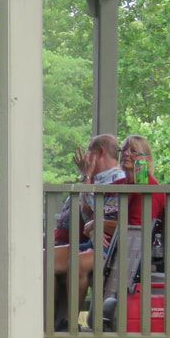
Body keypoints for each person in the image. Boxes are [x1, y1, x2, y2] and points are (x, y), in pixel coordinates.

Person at [51, 134, 122, 320]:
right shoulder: (97, 180)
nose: (85, 156)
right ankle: (48, 322)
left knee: (77, 262)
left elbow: (101, 214)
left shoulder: (118, 180)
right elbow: (86, 211)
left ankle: (69, 322)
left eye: (89, 151)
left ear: (100, 152)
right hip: (92, 243)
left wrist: (96, 225)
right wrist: (87, 177)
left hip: (111, 248)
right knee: (46, 258)